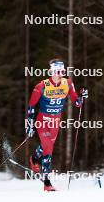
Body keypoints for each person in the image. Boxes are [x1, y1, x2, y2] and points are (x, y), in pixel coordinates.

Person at [25, 59, 88, 191]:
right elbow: (31, 107)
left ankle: (34, 158)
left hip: (55, 122)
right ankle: (47, 183)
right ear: (51, 72)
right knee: (48, 147)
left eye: (62, 71)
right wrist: (29, 125)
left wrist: (82, 97)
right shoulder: (41, 87)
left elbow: (77, 103)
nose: (59, 74)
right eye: (57, 71)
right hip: (42, 121)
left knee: (46, 147)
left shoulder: (68, 84)